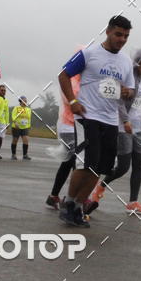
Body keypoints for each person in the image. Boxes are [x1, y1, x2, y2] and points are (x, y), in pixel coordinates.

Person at [57, 15, 135, 227]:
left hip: (111, 121)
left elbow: (130, 91)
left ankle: (79, 206)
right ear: (108, 31)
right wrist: (72, 101)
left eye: (126, 36)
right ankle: (69, 203)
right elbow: (63, 75)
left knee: (100, 168)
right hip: (87, 117)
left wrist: (128, 92)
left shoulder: (126, 61)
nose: (121, 39)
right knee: (85, 164)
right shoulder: (89, 53)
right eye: (118, 34)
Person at [87, 49, 141, 216]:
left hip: (140, 128)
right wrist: (125, 121)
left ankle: (132, 202)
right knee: (123, 167)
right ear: (138, 63)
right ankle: (100, 186)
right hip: (122, 126)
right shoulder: (127, 76)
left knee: (139, 164)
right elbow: (118, 101)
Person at [45, 74, 82, 210]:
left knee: (70, 162)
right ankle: (72, 199)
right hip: (69, 125)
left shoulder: (83, 79)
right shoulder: (72, 80)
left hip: (78, 127)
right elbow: (71, 100)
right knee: (76, 162)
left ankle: (55, 196)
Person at [0, 83, 10, 158]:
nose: (3, 92)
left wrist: (7, 122)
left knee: (1, 137)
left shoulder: (6, 101)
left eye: (4, 90)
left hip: (3, 122)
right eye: (2, 90)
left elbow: (6, 112)